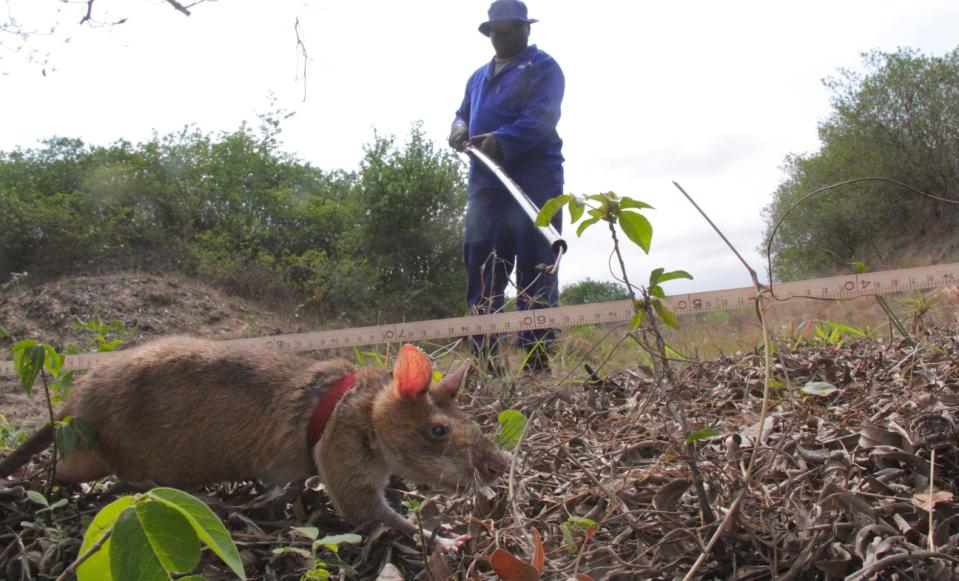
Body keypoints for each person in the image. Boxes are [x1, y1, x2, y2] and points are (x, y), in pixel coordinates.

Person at [449, 0, 565, 373]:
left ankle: (536, 361)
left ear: (526, 29)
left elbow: (541, 119)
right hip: (485, 186)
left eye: (509, 29)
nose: (501, 36)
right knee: (482, 268)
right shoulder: (477, 78)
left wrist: (501, 141)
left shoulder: (543, 68)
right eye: (495, 31)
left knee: (537, 267)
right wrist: (458, 128)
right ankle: (486, 360)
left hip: (533, 184)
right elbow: (462, 112)